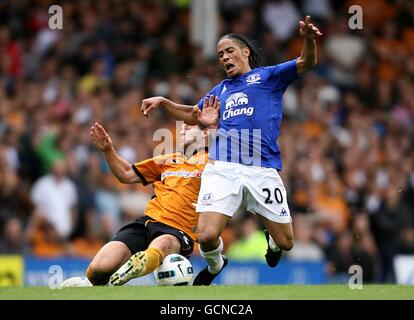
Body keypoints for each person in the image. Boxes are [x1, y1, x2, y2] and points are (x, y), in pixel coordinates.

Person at [141, 16, 322, 285]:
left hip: (261, 168)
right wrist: (165, 103)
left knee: (286, 243)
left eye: (229, 51)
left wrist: (307, 39)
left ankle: (271, 240)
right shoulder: (221, 90)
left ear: (245, 52)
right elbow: (193, 114)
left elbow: (306, 63)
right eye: (220, 55)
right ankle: (215, 265)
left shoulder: (268, 77)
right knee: (206, 235)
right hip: (223, 166)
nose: (224, 57)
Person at [62, 118, 214, 287]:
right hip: (147, 223)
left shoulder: (215, 163)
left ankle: (131, 270)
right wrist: (108, 149)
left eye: (189, 125)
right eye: (182, 125)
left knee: (164, 243)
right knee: (99, 269)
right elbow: (126, 174)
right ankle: (92, 284)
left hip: (180, 231)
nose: (183, 128)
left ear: (206, 133)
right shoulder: (168, 160)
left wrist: (214, 126)